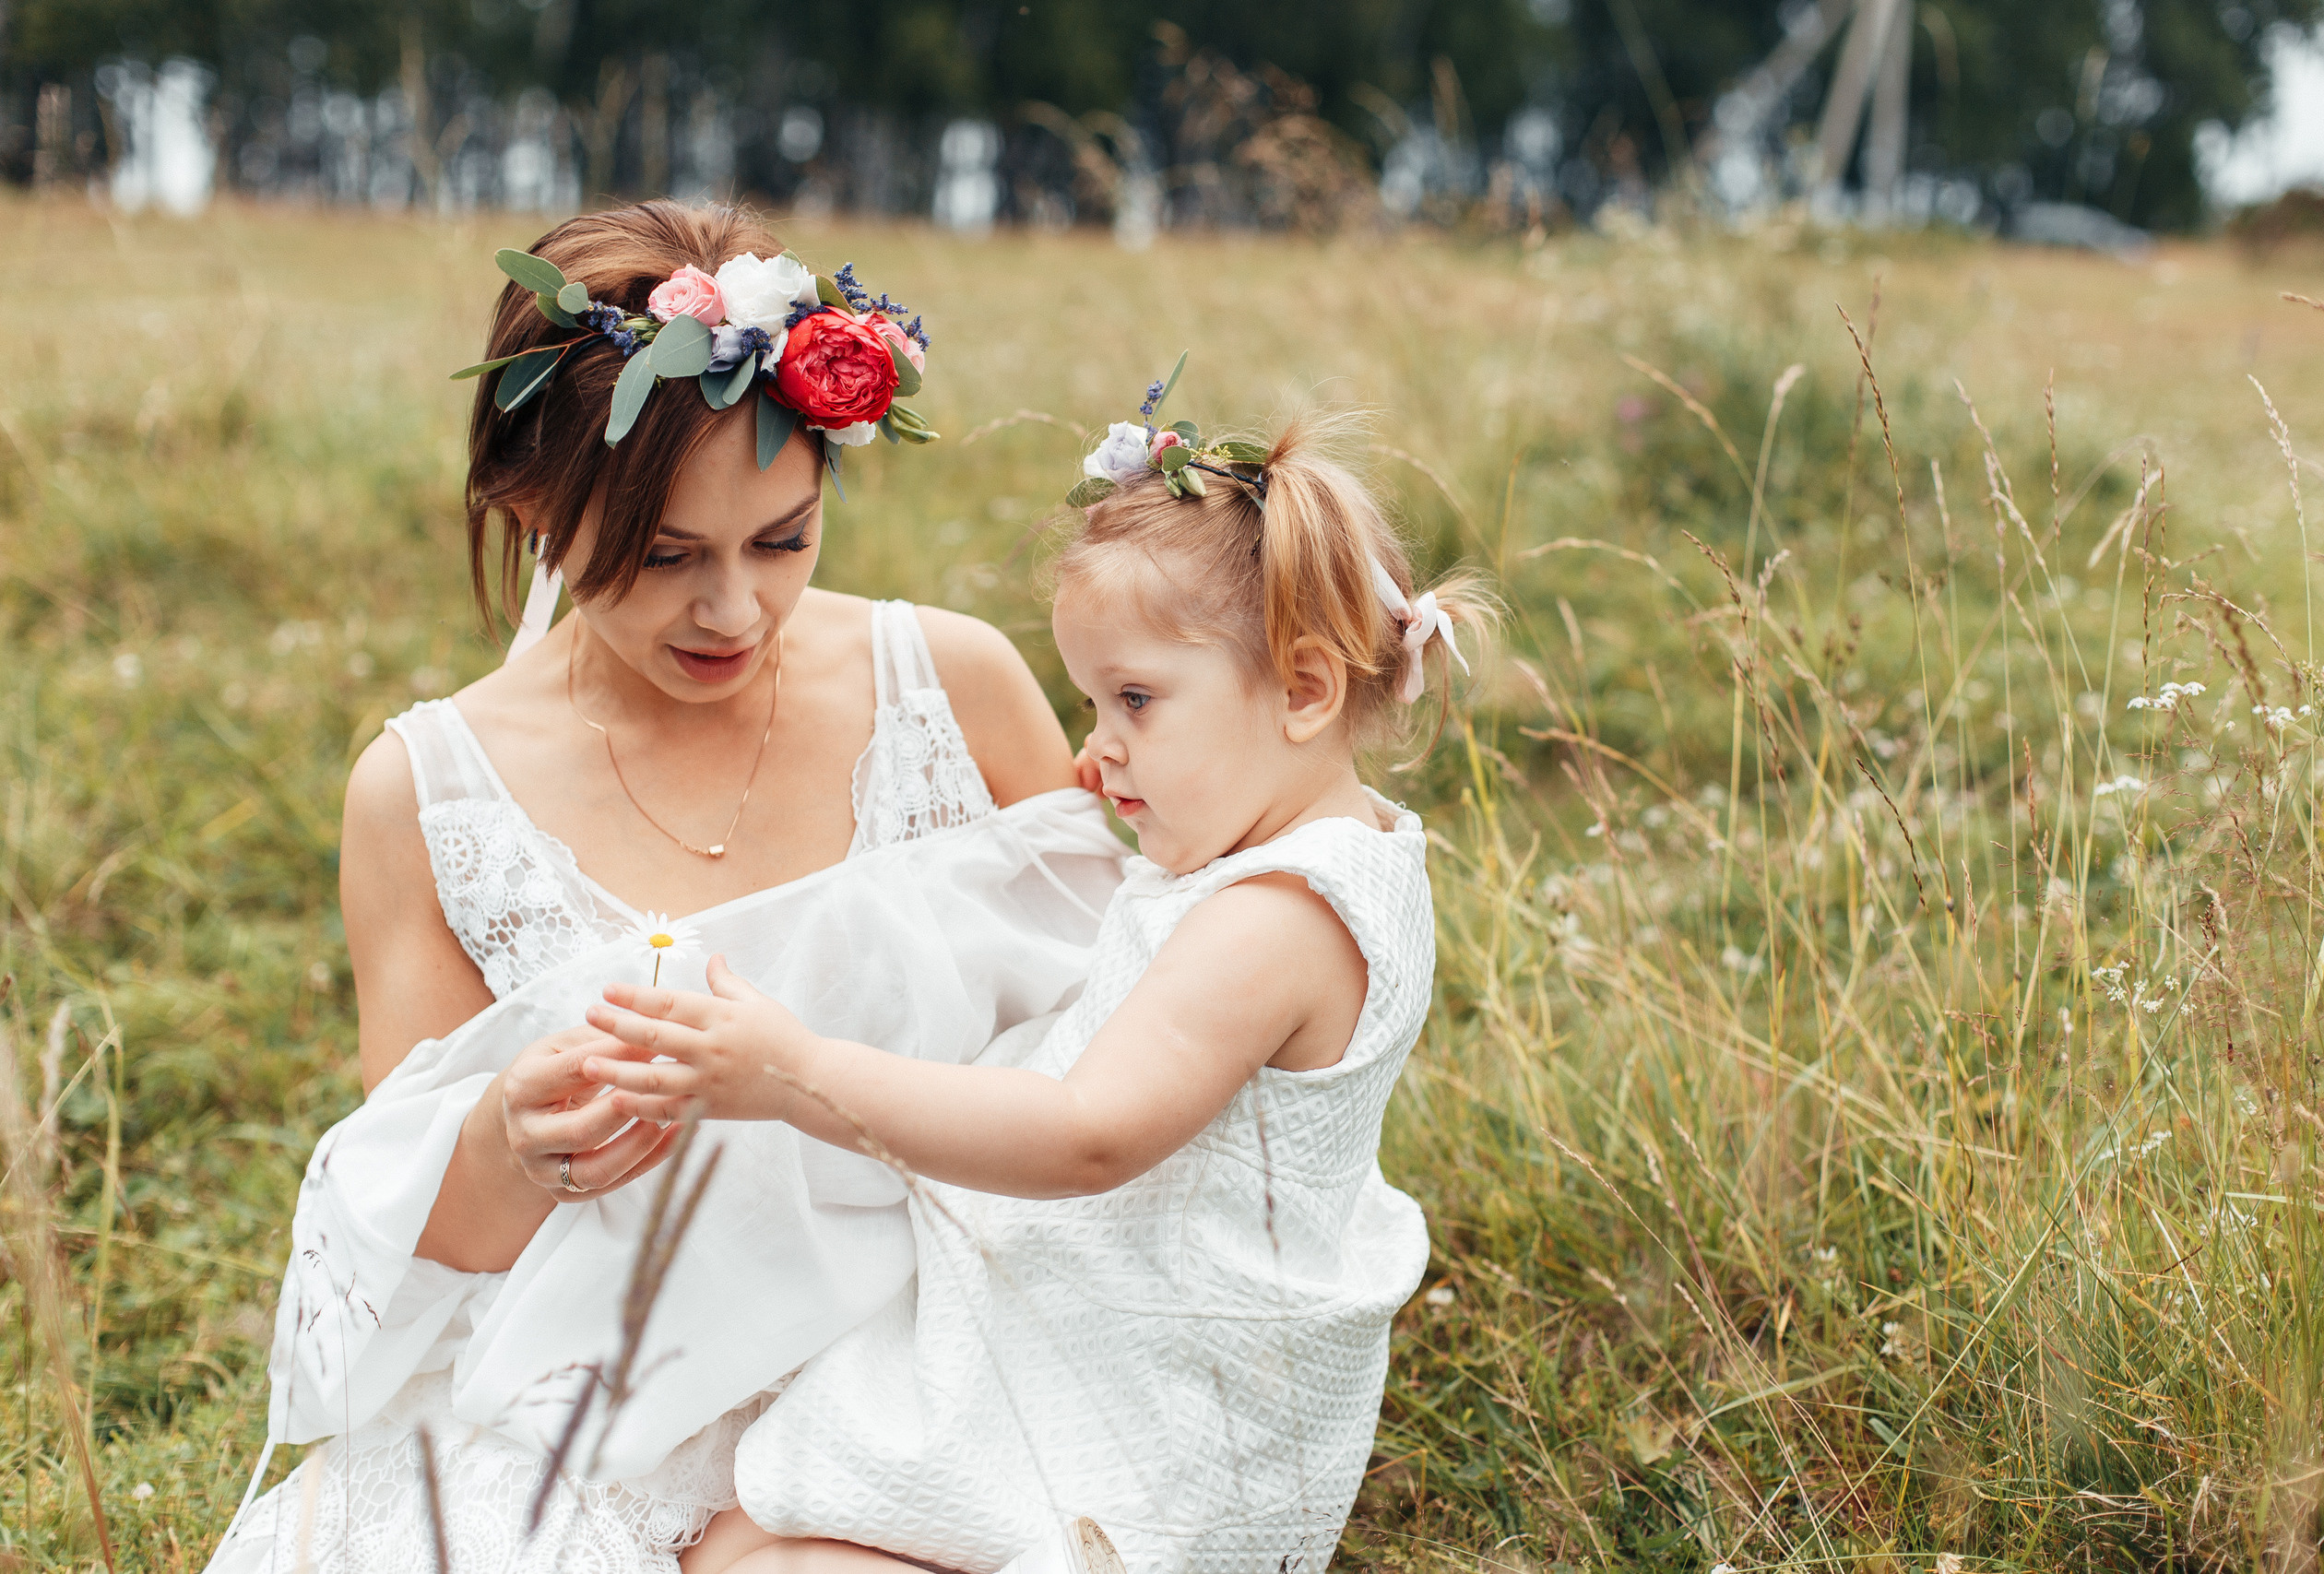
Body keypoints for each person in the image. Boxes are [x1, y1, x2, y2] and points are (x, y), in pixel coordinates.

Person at [209, 200, 1128, 1573]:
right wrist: (511, 1144)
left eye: (782, 539)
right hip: (621, 1393)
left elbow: (1127, 1017)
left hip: (947, 1347)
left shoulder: (954, 682)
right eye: (664, 558)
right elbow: (427, 1234)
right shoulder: (428, 791)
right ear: (530, 510)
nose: (736, 614)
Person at [576, 399, 1492, 1574]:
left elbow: (1086, 1136)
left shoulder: (1276, 918)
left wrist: (796, 1073)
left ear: (1305, 692)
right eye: (1093, 704)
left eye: (1136, 702)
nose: (1097, 745)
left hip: (1164, 1430)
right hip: (1116, 1338)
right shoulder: (1299, 851)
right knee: (742, 1527)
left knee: (757, 1555)